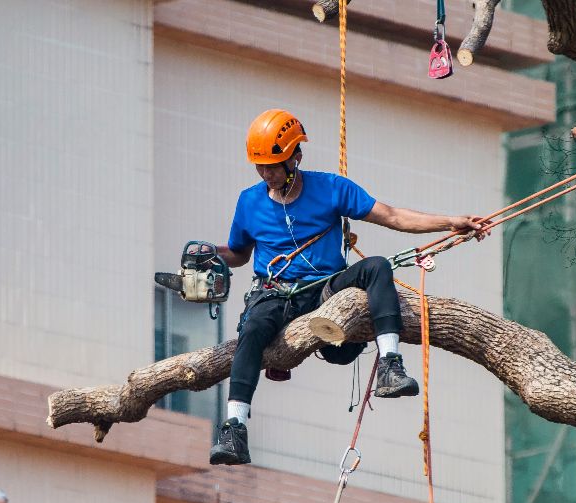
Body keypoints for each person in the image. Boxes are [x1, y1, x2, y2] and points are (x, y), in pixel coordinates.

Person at [208, 109, 485, 466]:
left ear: (296, 157)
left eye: (273, 165)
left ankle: (391, 364)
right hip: (277, 293)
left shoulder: (330, 189)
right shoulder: (249, 201)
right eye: (260, 166)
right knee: (252, 330)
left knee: (376, 267)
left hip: (326, 289)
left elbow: (393, 216)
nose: (266, 173)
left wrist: (451, 222)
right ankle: (235, 429)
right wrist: (210, 253)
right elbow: (240, 254)